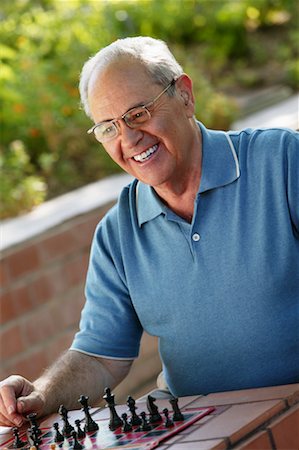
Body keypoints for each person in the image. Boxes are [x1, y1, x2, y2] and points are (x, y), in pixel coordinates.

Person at [0, 36, 298, 428]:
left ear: (185, 96)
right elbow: (100, 356)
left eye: (138, 114)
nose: (128, 139)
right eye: (108, 128)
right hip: (202, 428)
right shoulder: (117, 233)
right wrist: (41, 393)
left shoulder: (283, 163)